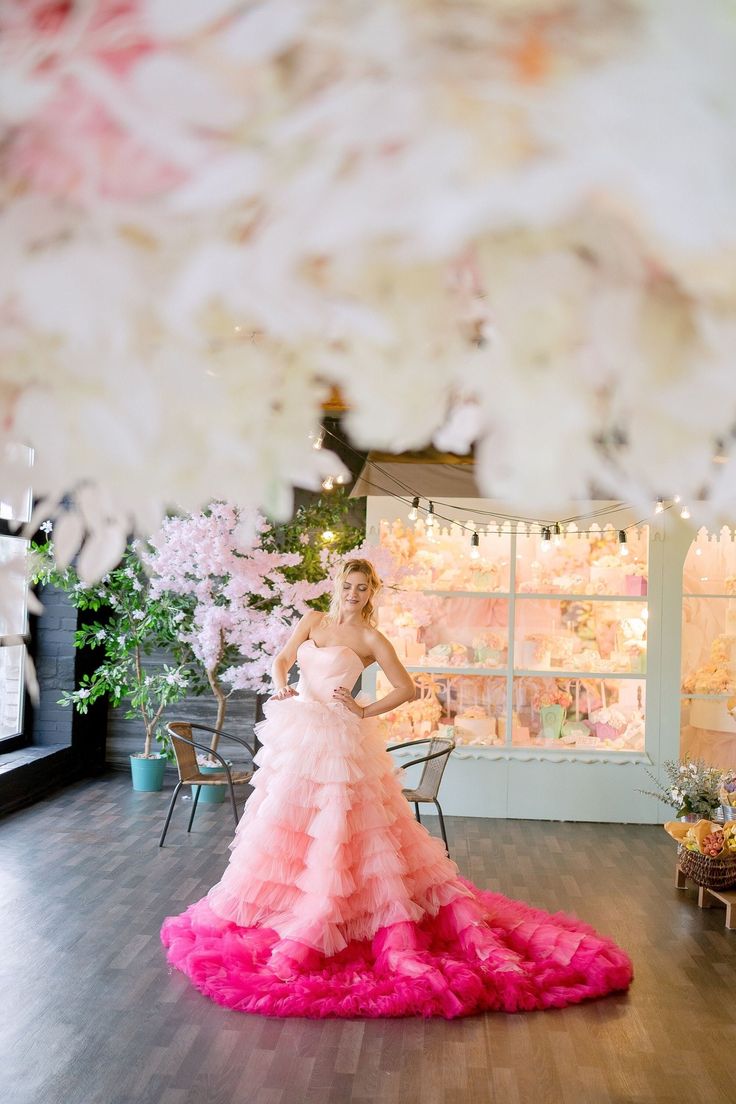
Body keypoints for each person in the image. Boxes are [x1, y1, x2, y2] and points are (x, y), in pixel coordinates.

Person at [161, 558, 632, 1018]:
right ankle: (292, 901)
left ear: (371, 593)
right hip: (299, 726)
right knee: (285, 820)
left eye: (362, 588)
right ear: (338, 584)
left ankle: (338, 906)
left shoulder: (369, 637)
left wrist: (365, 710)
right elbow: (283, 659)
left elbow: (406, 687)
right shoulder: (314, 619)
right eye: (348, 585)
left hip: (340, 734)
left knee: (342, 823)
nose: (353, 593)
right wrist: (282, 686)